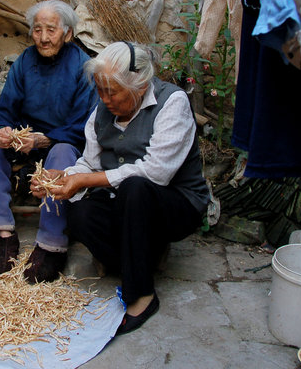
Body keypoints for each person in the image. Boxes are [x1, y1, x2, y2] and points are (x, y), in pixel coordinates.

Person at [31, 41, 210, 334]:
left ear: (140, 86)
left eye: (112, 91)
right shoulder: (101, 111)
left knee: (135, 188)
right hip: (126, 204)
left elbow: (156, 172)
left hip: (176, 204)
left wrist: (86, 180)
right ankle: (143, 255)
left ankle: (141, 295)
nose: (104, 99)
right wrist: (60, 178)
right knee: (80, 214)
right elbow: (88, 164)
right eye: (100, 90)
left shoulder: (172, 102)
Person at [0, 0, 98, 283]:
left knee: (63, 153)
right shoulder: (24, 62)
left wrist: (44, 140)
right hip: (25, 141)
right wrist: (1, 130)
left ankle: (51, 244)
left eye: (51, 30)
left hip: (61, 142)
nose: (43, 37)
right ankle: (2, 234)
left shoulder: (83, 66)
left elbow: (84, 124)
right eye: (37, 30)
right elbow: (4, 109)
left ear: (67, 34)